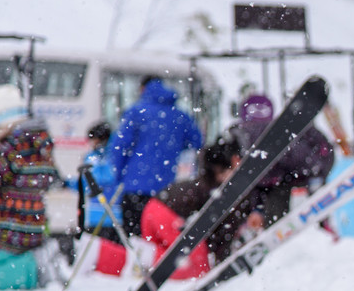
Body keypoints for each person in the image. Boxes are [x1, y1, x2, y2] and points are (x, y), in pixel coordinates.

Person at [88, 134, 257, 279]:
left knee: (162, 262)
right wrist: (221, 265)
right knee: (196, 266)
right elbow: (222, 231)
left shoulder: (209, 181)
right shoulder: (219, 190)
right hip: (164, 213)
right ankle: (140, 256)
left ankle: (97, 253)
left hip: (154, 209)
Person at [108, 76, 203, 237]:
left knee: (134, 239)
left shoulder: (136, 112)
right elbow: (197, 141)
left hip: (135, 187)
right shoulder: (180, 115)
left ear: (143, 89)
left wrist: (118, 175)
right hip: (166, 190)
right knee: (158, 239)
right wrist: (174, 146)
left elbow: (120, 147)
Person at [227, 93, 334, 226]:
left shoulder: (240, 137)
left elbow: (261, 182)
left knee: (278, 190)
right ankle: (319, 226)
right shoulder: (284, 137)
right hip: (300, 175)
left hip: (297, 177)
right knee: (278, 190)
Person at [0, 85, 62, 290]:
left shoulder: (9, 148)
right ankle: (31, 269)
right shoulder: (39, 145)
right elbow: (51, 180)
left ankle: (28, 271)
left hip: (7, 232)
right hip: (32, 230)